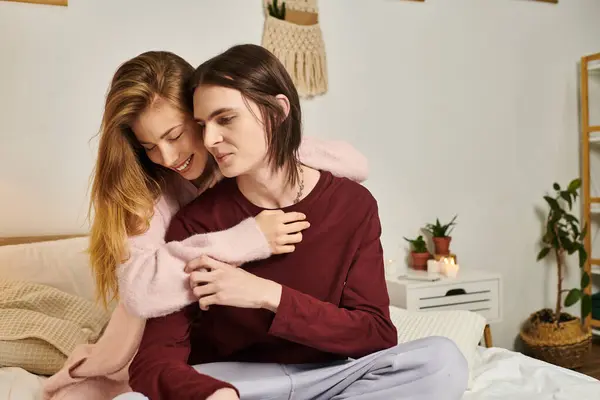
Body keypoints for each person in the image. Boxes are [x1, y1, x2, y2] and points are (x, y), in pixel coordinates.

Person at [125, 44, 469, 400]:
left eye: (226, 119)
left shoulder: (352, 205)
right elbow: (153, 360)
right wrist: (212, 395)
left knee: (442, 361)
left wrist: (267, 296)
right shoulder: (197, 223)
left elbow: (377, 334)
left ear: (277, 111)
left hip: (328, 377)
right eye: (201, 125)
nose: (210, 140)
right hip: (236, 385)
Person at [41, 50, 369, 400]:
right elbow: (140, 289)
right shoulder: (153, 196)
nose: (167, 158)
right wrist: (246, 240)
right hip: (154, 342)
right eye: (149, 146)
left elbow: (353, 163)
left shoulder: (250, 158)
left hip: (236, 335)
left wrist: (280, 153)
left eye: (175, 135)